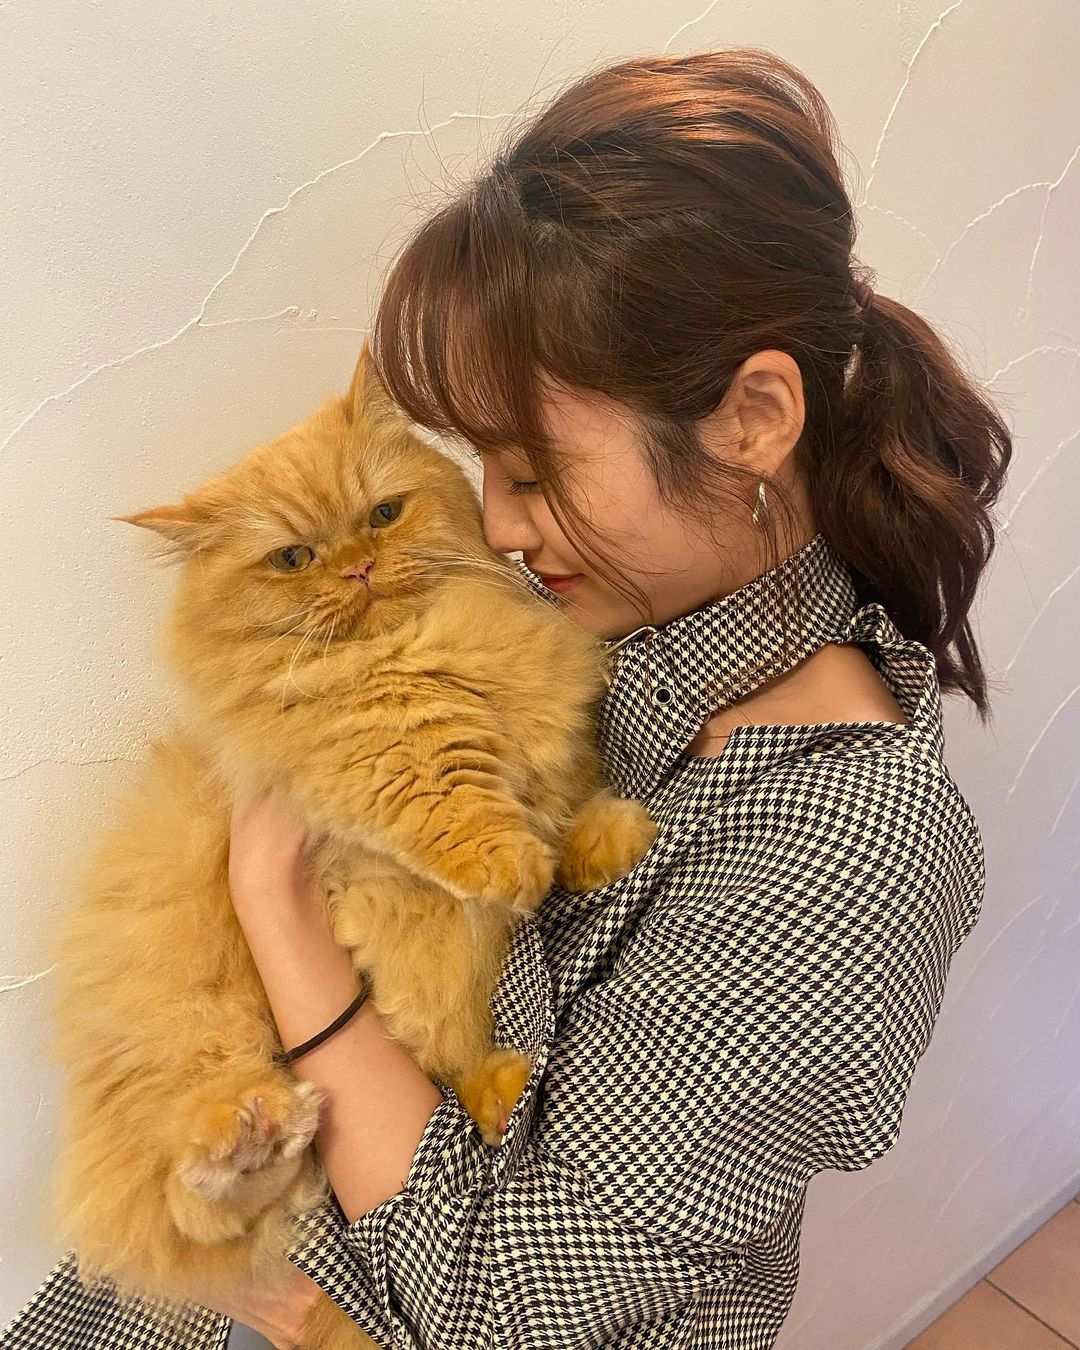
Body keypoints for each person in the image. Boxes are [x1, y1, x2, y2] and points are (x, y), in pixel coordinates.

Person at [2, 45, 1010, 1350]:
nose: (498, 523)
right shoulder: (623, 634)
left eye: (533, 471)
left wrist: (276, 903)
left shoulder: (852, 844)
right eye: (480, 465)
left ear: (755, 419)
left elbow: (508, 1302)